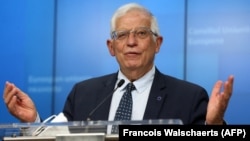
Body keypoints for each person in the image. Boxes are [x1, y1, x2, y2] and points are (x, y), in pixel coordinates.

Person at [3, 2, 234, 133]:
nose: (131, 42)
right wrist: (32, 120)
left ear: (158, 44)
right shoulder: (83, 94)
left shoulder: (189, 97)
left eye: (141, 33)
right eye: (122, 35)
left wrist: (214, 127)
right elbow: (56, 138)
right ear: (111, 47)